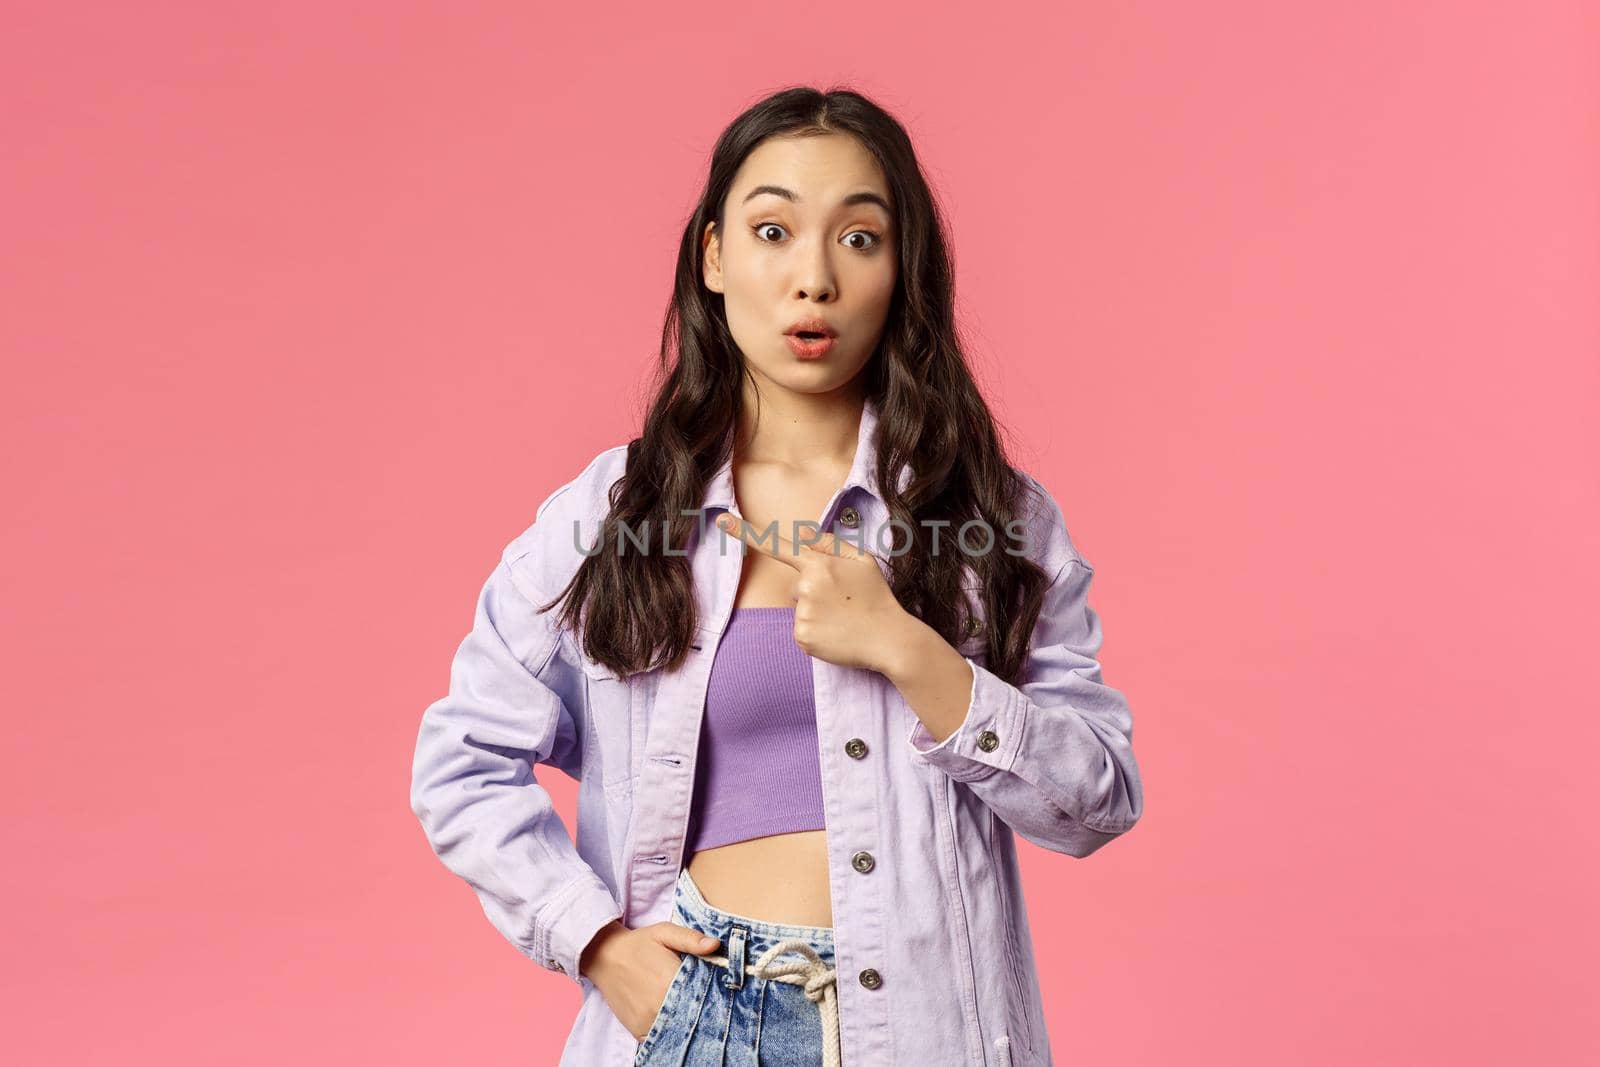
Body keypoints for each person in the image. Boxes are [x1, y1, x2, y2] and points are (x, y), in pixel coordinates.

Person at [409, 85, 1145, 1067]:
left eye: (858, 239)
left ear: (902, 268)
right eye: (772, 230)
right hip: (693, 1015)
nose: (813, 279)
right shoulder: (609, 515)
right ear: (714, 256)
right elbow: (461, 757)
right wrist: (598, 944)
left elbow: (1095, 798)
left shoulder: (991, 521)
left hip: (929, 1028)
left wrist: (909, 650)